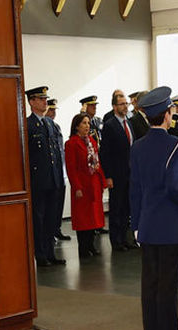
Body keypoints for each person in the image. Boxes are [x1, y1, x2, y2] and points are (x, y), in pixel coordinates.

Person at [130, 87, 178, 330]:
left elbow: (134, 190)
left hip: (146, 225)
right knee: (169, 283)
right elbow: (175, 188)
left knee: (150, 282)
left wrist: (136, 226)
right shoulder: (175, 145)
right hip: (170, 226)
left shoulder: (137, 147)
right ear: (167, 115)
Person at [26, 85, 66, 267]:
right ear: (32, 102)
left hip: (53, 179)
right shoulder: (27, 125)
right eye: (41, 99)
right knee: (39, 219)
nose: (45, 102)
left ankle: (50, 252)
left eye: (45, 99)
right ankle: (40, 254)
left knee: (51, 219)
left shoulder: (50, 123)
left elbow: (56, 153)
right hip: (38, 181)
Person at [64, 112, 109, 259]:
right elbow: (71, 168)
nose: (87, 126)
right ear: (77, 126)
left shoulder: (92, 141)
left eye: (88, 123)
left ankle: (91, 245)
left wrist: (102, 181)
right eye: (84, 123)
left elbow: (98, 162)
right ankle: (83, 248)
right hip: (82, 185)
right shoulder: (71, 143)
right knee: (83, 218)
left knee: (93, 217)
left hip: (94, 183)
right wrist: (76, 187)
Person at [101, 90, 138, 253]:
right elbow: (105, 153)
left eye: (126, 104)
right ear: (114, 106)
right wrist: (108, 175)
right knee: (116, 208)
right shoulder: (110, 125)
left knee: (127, 208)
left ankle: (126, 238)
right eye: (122, 104)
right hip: (116, 174)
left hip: (130, 174)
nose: (125, 107)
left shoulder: (128, 123)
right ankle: (116, 241)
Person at [46, 99, 69, 242]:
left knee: (59, 202)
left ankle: (57, 228)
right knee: (51, 205)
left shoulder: (56, 127)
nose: (53, 113)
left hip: (61, 170)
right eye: (51, 110)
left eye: (55, 110)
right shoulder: (42, 126)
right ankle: (51, 231)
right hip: (50, 173)